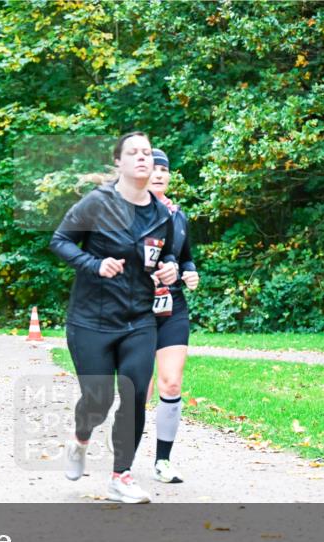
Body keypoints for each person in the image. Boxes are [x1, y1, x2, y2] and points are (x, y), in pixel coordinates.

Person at [49, 131, 179, 504]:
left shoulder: (160, 214)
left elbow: (167, 254)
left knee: (136, 394)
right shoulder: (97, 203)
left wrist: (169, 268)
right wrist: (95, 264)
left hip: (139, 318)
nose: (142, 158)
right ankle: (80, 440)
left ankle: (121, 475)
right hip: (91, 319)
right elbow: (60, 241)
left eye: (146, 153)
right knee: (98, 400)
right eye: (133, 153)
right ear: (119, 162)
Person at [145, 148, 199, 484]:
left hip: (172, 307)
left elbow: (186, 257)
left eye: (164, 169)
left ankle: (162, 461)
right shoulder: (127, 212)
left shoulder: (178, 216)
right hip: (135, 308)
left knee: (171, 382)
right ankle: (122, 458)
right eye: (153, 168)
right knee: (138, 389)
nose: (159, 174)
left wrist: (190, 273)